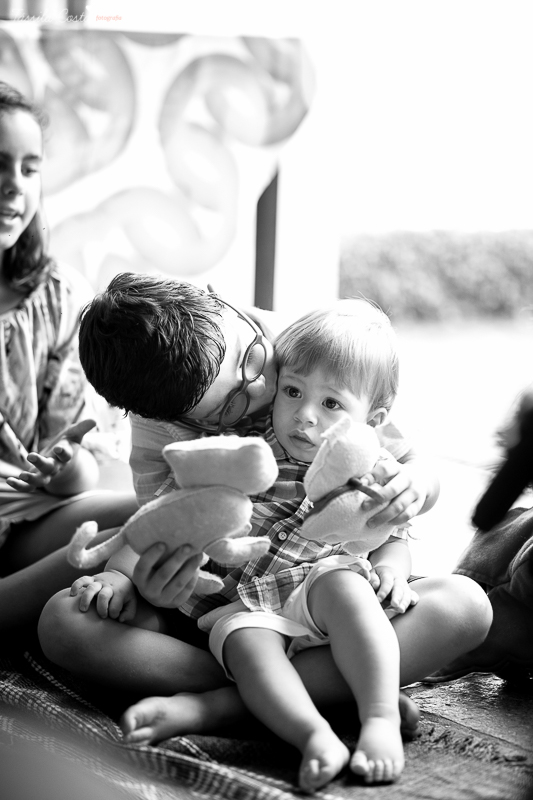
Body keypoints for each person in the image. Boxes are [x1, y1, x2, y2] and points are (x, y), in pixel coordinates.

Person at [38, 274, 492, 758]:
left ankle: (231, 704)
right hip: (229, 613)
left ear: (223, 301)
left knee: (464, 604)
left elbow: (399, 494)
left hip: (328, 598)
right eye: (235, 402)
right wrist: (132, 581)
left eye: (253, 360)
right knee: (63, 622)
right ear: (187, 420)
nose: (272, 395)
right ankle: (329, 687)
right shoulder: (181, 443)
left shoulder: (309, 350)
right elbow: (163, 521)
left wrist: (404, 528)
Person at [73, 299, 423, 790]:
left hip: (321, 585)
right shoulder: (243, 455)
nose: (304, 417)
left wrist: (392, 567)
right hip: (243, 606)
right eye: (293, 392)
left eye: (331, 404)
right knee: (247, 643)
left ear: (375, 418)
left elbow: (397, 527)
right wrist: (116, 573)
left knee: (358, 592)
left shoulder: (371, 463)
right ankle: (313, 732)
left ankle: (380, 718)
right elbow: (169, 515)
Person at [0, 82, 138, 635]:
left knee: (155, 513)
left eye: (29, 169)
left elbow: (72, 473)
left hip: (20, 510)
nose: (14, 187)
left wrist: (60, 466)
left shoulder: (58, 296)